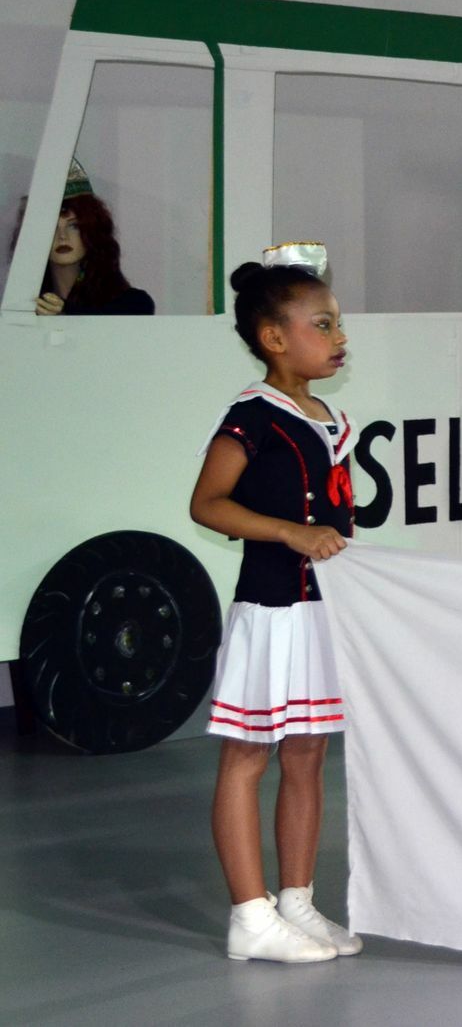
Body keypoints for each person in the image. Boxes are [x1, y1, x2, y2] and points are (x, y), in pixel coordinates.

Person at [187, 245, 360, 965]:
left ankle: (296, 900)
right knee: (248, 754)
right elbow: (207, 504)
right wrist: (290, 532)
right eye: (323, 323)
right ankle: (249, 915)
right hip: (269, 610)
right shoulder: (253, 416)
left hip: (317, 612)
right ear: (274, 337)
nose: (339, 336)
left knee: (308, 752)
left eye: (339, 323)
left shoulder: (327, 416)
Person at [33, 160, 155, 316]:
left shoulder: (131, 303)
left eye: (74, 226)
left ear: (92, 233)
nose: (62, 236)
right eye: (52, 228)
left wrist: (66, 312)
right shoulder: (22, 305)